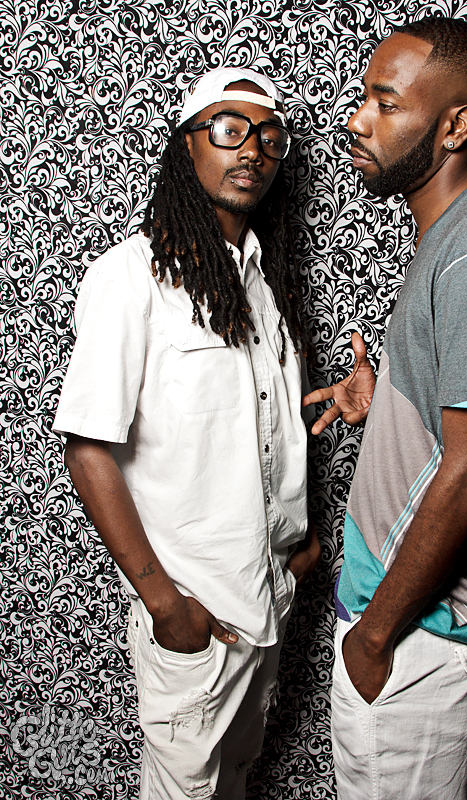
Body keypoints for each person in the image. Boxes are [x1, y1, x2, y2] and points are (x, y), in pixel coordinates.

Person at [53, 67, 320, 800]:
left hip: (271, 598)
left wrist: (297, 550)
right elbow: (88, 450)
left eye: (270, 137)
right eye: (230, 129)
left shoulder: (264, 281)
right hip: (197, 614)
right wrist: (165, 605)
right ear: (188, 145)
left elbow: (251, 427)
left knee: (236, 781)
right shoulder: (129, 276)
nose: (253, 150)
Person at [304, 16, 467, 800]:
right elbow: (460, 425)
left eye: (386, 102)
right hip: (402, 633)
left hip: (418, 640)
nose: (355, 119)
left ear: (455, 126)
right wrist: (387, 405)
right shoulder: (451, 236)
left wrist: (374, 638)